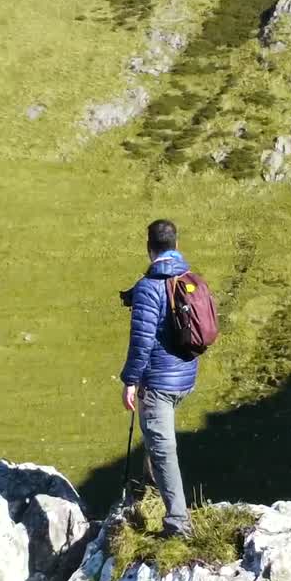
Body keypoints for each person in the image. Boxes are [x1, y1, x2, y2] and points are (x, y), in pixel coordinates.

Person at [120, 219, 197, 537]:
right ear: (176, 245)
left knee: (163, 447)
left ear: (149, 248)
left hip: (159, 384)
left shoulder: (150, 288)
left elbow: (142, 341)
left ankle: (178, 522)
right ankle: (144, 494)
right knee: (156, 437)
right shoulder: (189, 279)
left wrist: (130, 380)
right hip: (185, 377)